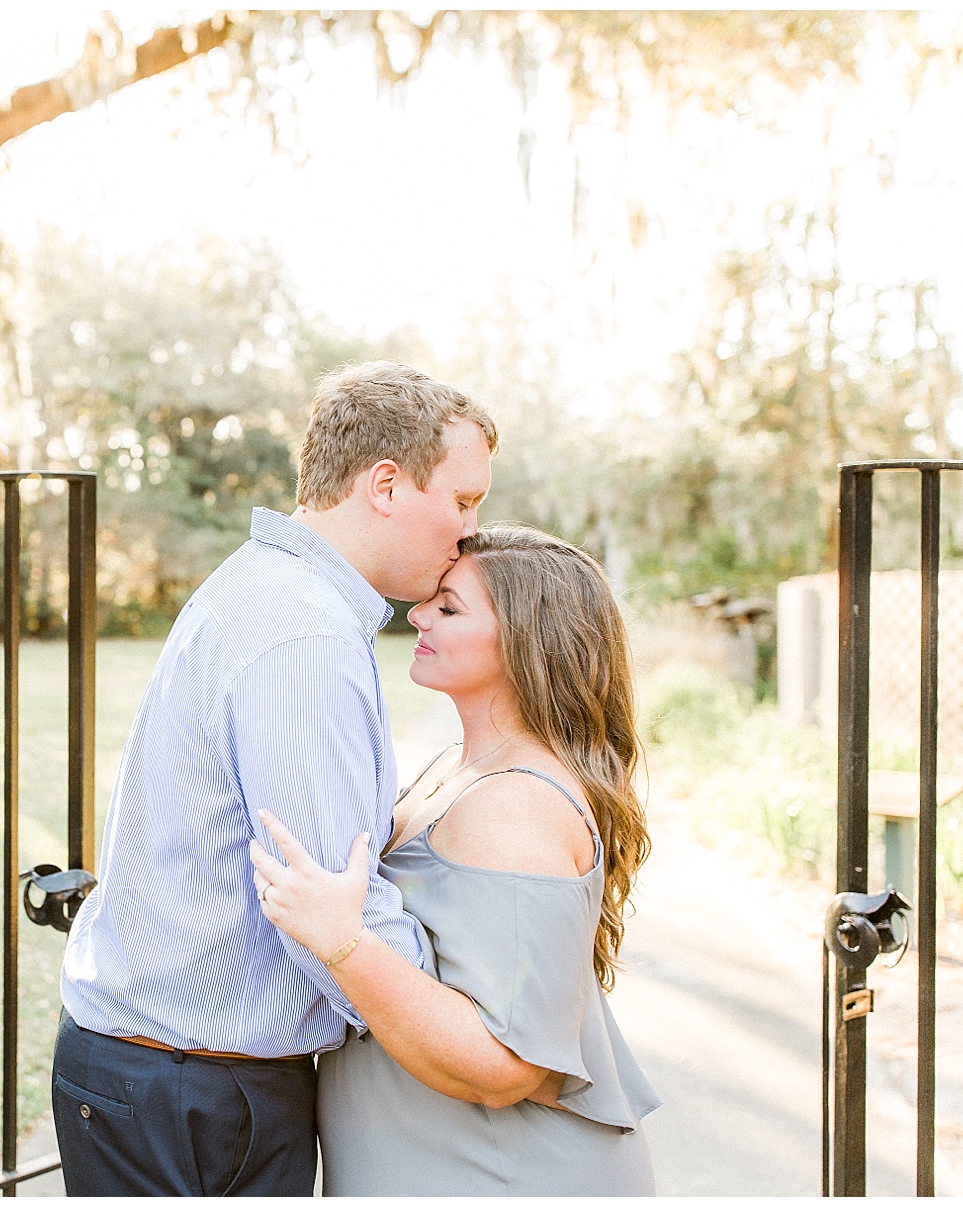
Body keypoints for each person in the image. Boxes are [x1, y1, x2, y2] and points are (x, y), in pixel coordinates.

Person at [51, 362, 498, 1195]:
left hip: (168, 1081)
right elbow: (331, 906)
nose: (469, 532)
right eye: (464, 501)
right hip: (194, 1097)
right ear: (387, 485)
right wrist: (478, 1023)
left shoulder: (275, 592)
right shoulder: (306, 636)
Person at [250, 523, 661, 1195]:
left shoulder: (516, 807)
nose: (416, 614)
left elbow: (506, 1063)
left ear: (528, 642)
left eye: (449, 607)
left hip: (501, 1175)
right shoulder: (459, 764)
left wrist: (343, 941)